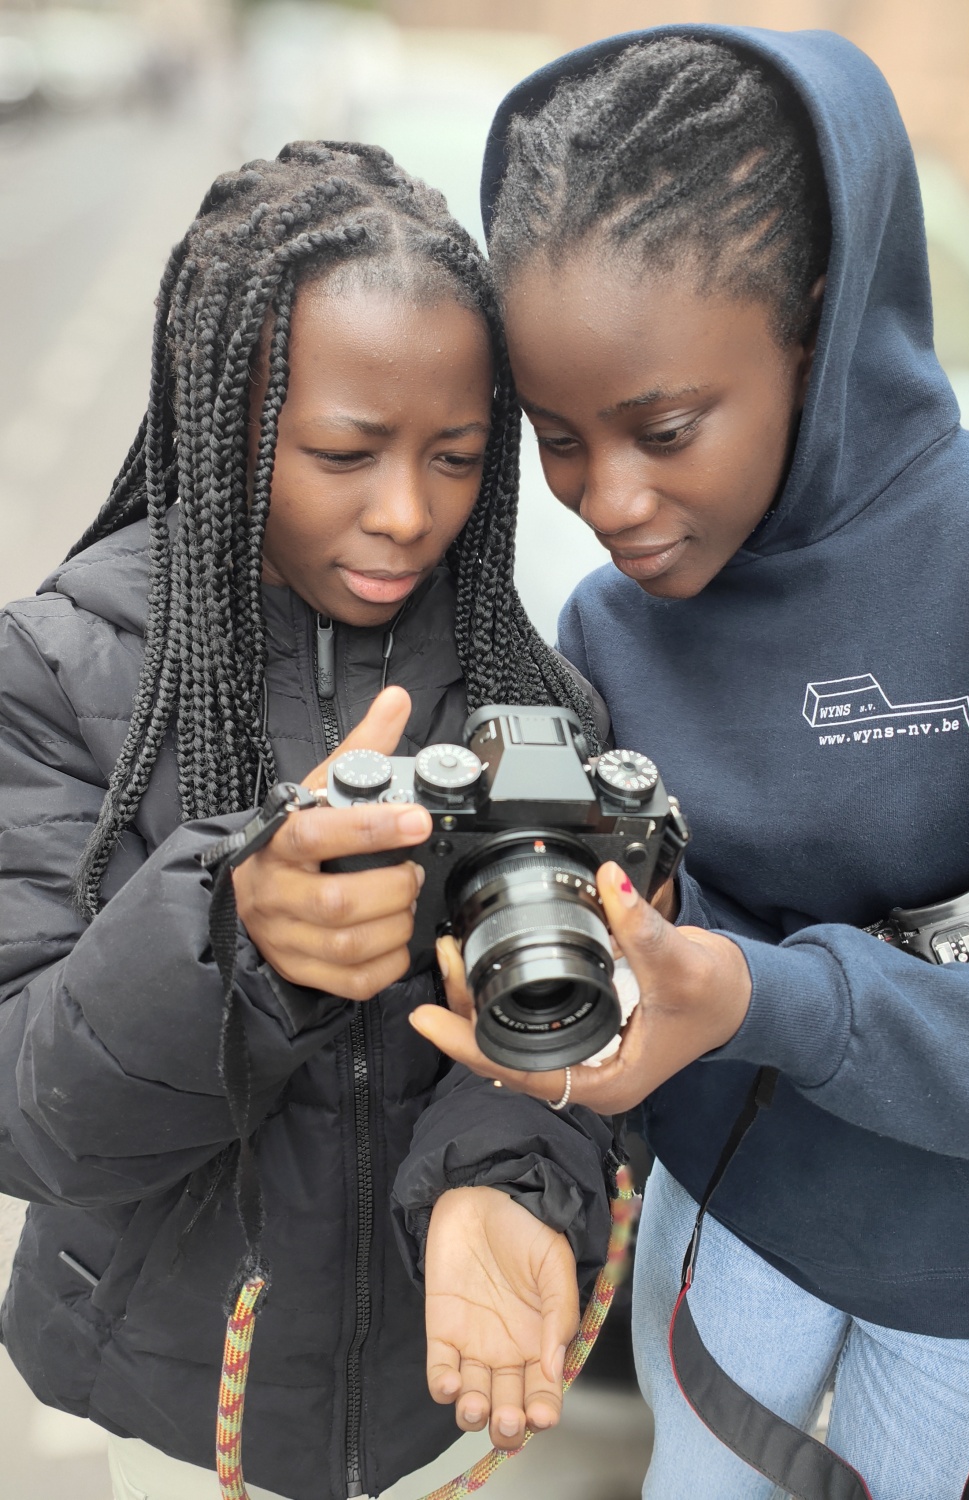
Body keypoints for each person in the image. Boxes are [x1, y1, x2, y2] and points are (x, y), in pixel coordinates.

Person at [413, 28, 969, 1500]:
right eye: (555, 440)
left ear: (816, 319)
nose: (609, 502)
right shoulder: (609, 625)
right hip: (722, 1239)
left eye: (664, 429)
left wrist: (760, 995)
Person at [0, 141, 616, 1500]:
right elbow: (23, 1107)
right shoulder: (57, 671)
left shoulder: (535, 696)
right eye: (345, 452)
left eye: (457, 458)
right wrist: (235, 937)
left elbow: (569, 1024)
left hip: (441, 1383)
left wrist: (501, 1185)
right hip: (172, 1407)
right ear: (223, 426)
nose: (405, 515)